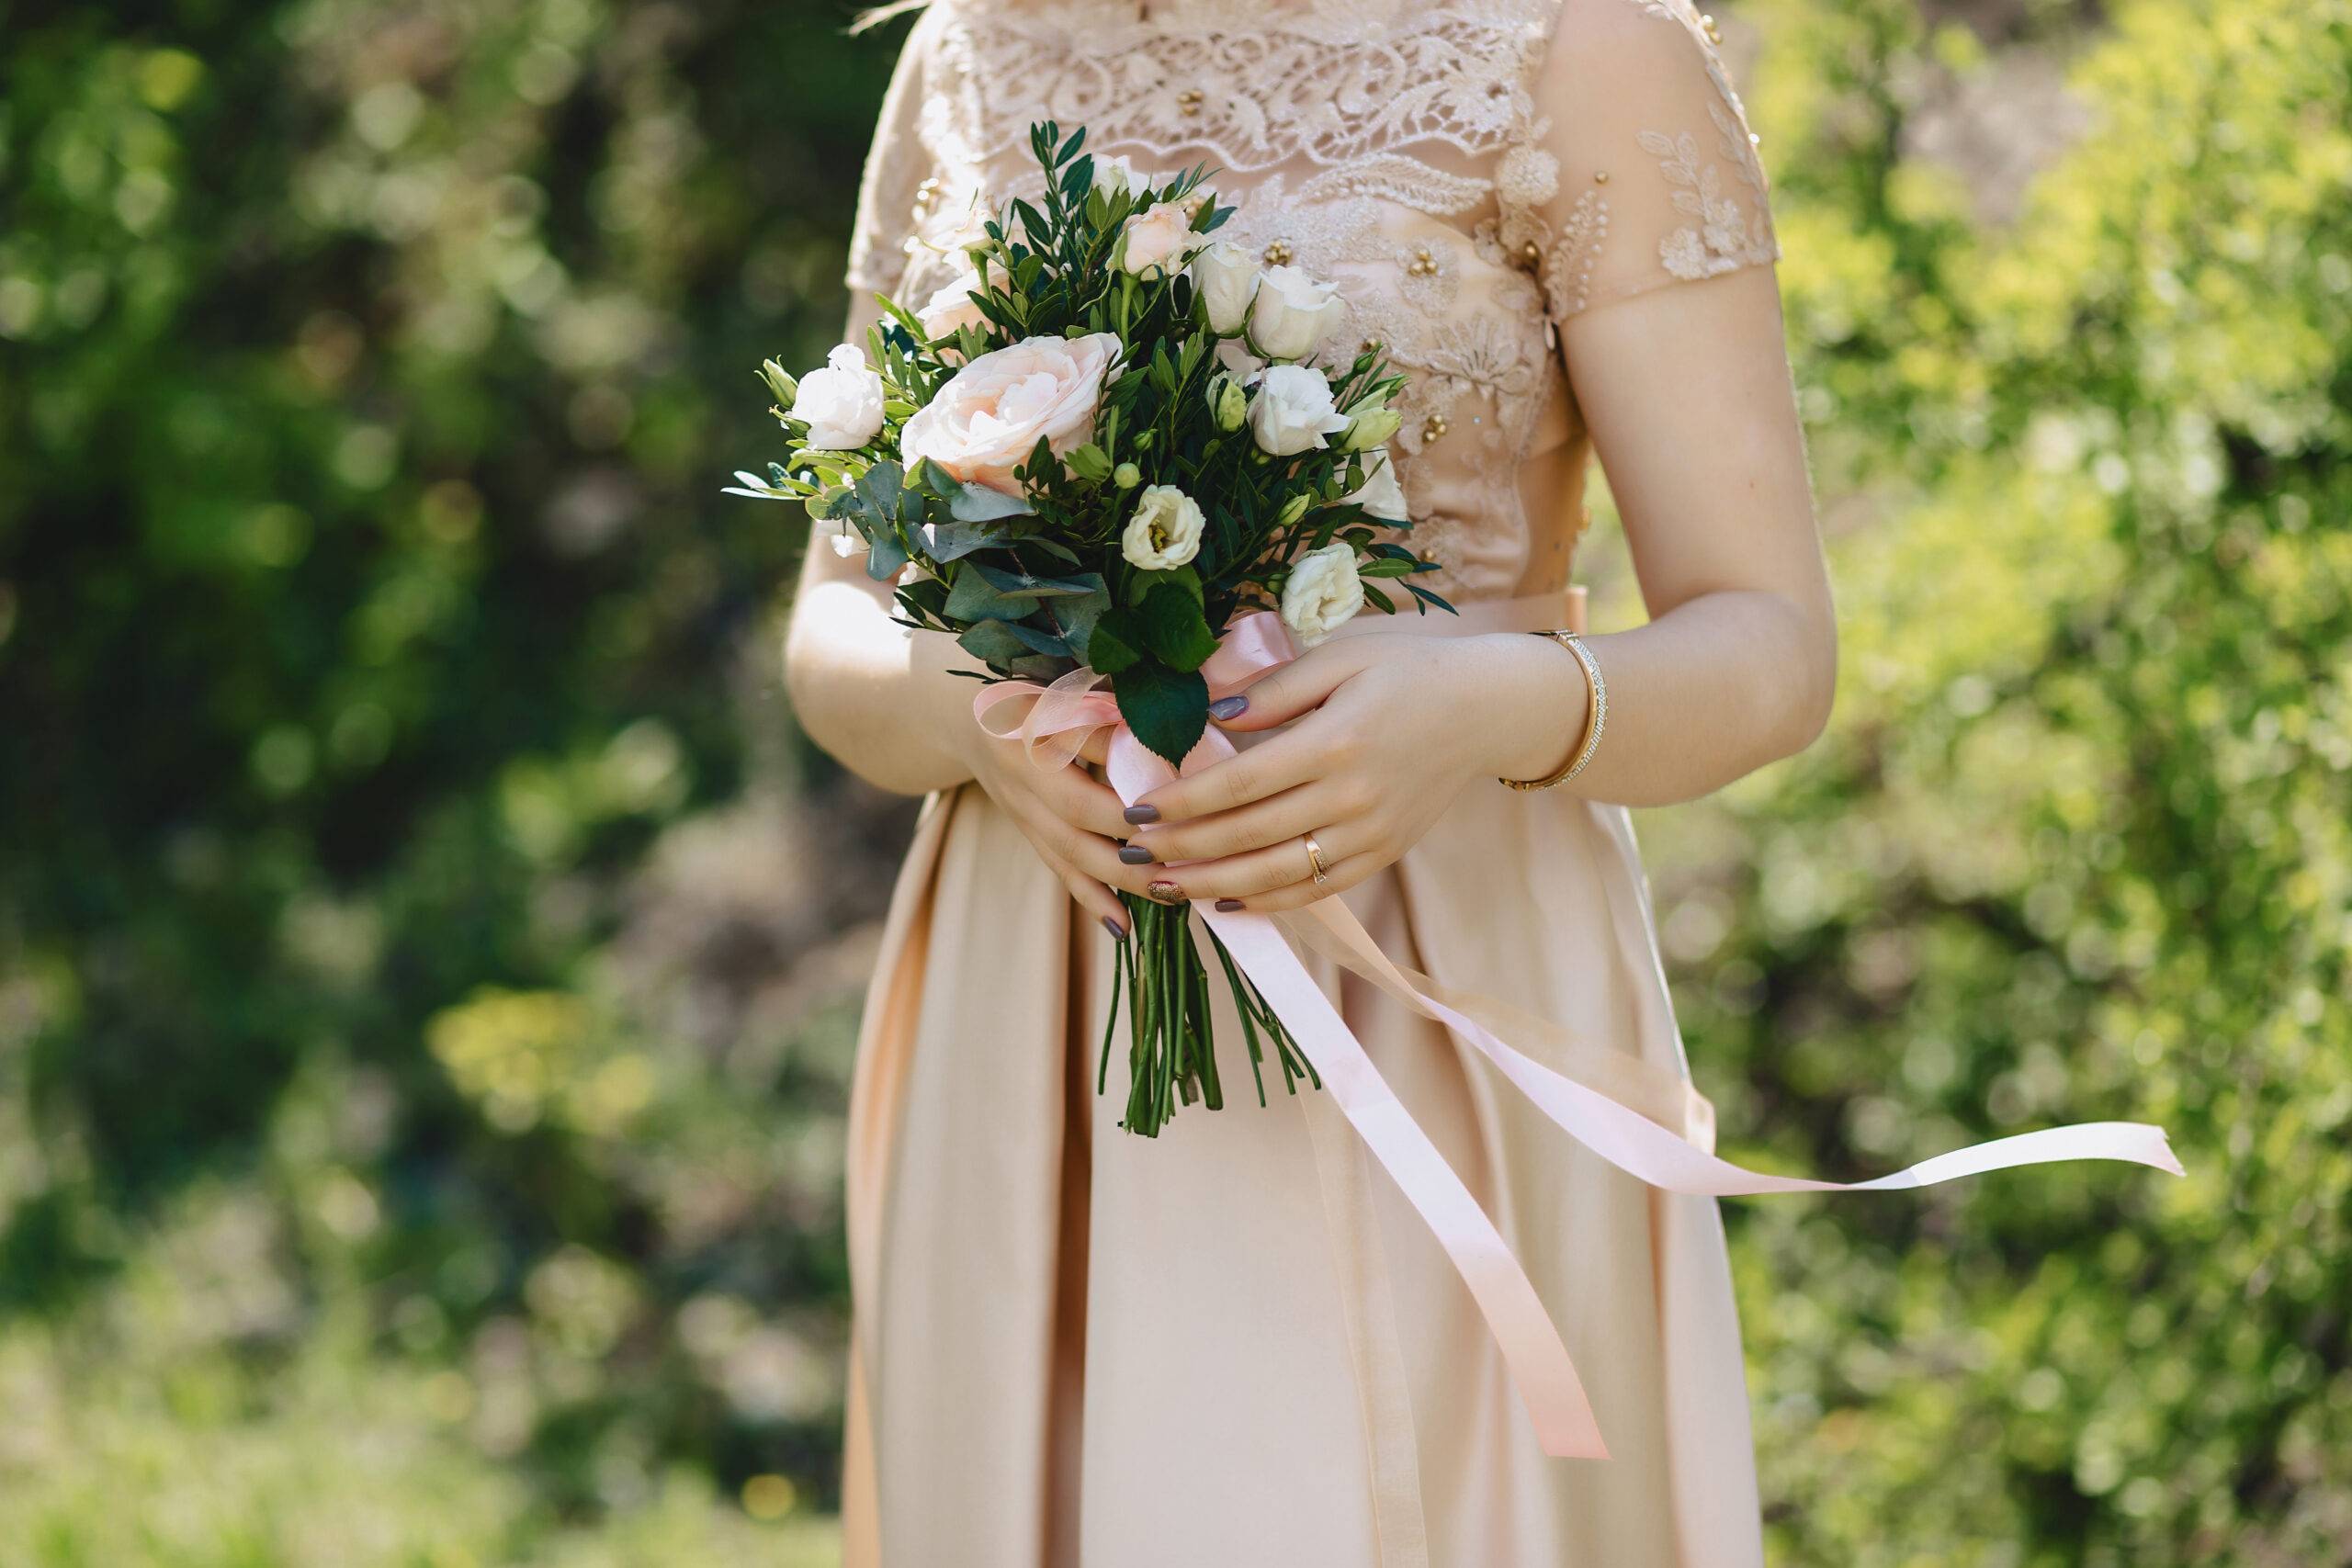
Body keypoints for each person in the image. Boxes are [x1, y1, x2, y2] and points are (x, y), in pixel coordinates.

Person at [784, 0, 1831, 1560]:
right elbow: (835, 617)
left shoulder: (1580, 45)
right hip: (1037, 1014)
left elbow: (1769, 646)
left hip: (1432, 978)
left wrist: (1485, 703)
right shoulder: (968, 52)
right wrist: (977, 718)